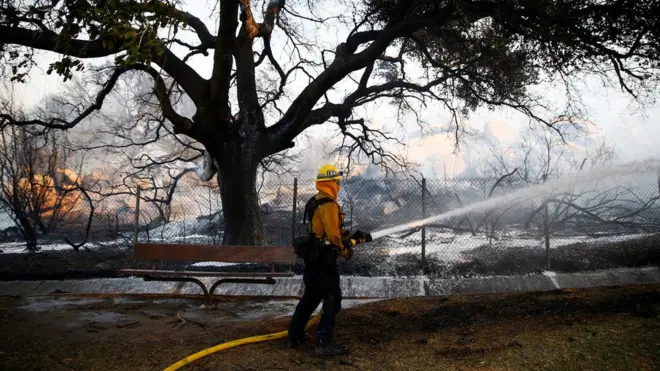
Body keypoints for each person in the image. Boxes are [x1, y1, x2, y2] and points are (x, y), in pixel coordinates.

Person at [286, 164, 371, 356]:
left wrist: (350, 235)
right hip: (325, 262)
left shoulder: (316, 200)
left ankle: (294, 335)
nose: (339, 184)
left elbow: (326, 230)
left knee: (310, 298)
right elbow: (333, 236)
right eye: (337, 181)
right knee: (333, 299)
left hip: (313, 260)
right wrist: (346, 249)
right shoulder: (330, 205)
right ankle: (324, 343)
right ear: (331, 182)